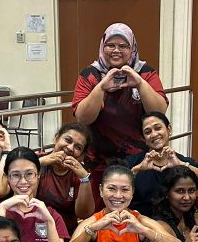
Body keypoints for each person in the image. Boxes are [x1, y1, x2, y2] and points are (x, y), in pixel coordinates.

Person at [72, 23, 168, 204]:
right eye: (110, 45)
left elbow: (158, 111)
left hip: (141, 160)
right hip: (99, 161)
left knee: (139, 209)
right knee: (102, 211)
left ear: (132, 49)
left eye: (123, 46)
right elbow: (83, 118)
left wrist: (139, 83)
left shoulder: (145, 72)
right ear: (103, 46)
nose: (116, 50)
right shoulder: (90, 74)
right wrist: (101, 87)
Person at [0, 122, 95, 233]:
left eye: (78, 147)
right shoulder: (35, 159)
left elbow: (84, 214)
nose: (70, 148)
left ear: (82, 155)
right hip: (28, 227)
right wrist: (38, 163)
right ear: (56, 138)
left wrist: (84, 178)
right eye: (68, 140)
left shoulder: (81, 174)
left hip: (63, 231)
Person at [126, 111, 198, 214]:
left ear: (169, 129)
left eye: (158, 128)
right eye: (148, 132)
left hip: (175, 221)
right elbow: (115, 188)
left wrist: (183, 165)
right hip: (141, 220)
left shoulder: (183, 161)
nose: (154, 134)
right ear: (144, 139)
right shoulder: (132, 162)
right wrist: (137, 169)